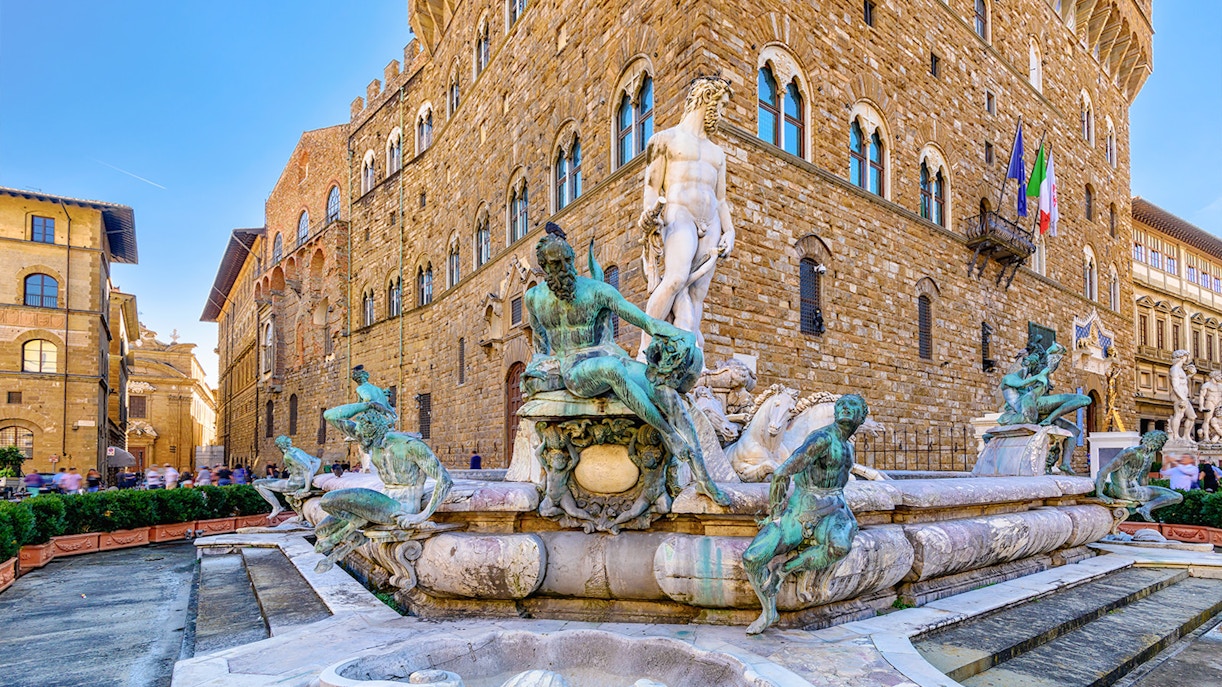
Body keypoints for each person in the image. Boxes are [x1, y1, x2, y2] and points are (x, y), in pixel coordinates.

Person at [524, 225, 728, 505]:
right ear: (544, 266)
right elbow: (539, 346)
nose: (564, 269)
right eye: (556, 265)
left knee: (662, 387)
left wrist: (676, 334)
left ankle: (703, 477)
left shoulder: (597, 291)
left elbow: (642, 320)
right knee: (612, 369)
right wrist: (539, 370)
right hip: (574, 369)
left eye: (568, 262)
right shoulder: (534, 298)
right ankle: (670, 437)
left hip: (607, 355)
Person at [743, 394, 869, 634]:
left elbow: (839, 487)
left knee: (839, 547)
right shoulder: (821, 439)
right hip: (801, 512)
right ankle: (769, 610)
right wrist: (776, 514)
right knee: (752, 557)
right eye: (842, 404)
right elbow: (781, 473)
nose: (845, 408)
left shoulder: (848, 447)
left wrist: (848, 518)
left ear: (861, 417)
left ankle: (784, 569)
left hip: (834, 510)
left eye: (853, 406)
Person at [637, 75, 735, 356]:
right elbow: (653, 186)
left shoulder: (718, 153)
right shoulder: (664, 140)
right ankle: (645, 351)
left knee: (697, 294)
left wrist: (730, 231)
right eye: (722, 105)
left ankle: (689, 359)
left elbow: (721, 198)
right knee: (676, 279)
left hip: (712, 223)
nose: (723, 113)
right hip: (678, 214)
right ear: (707, 100)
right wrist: (650, 215)